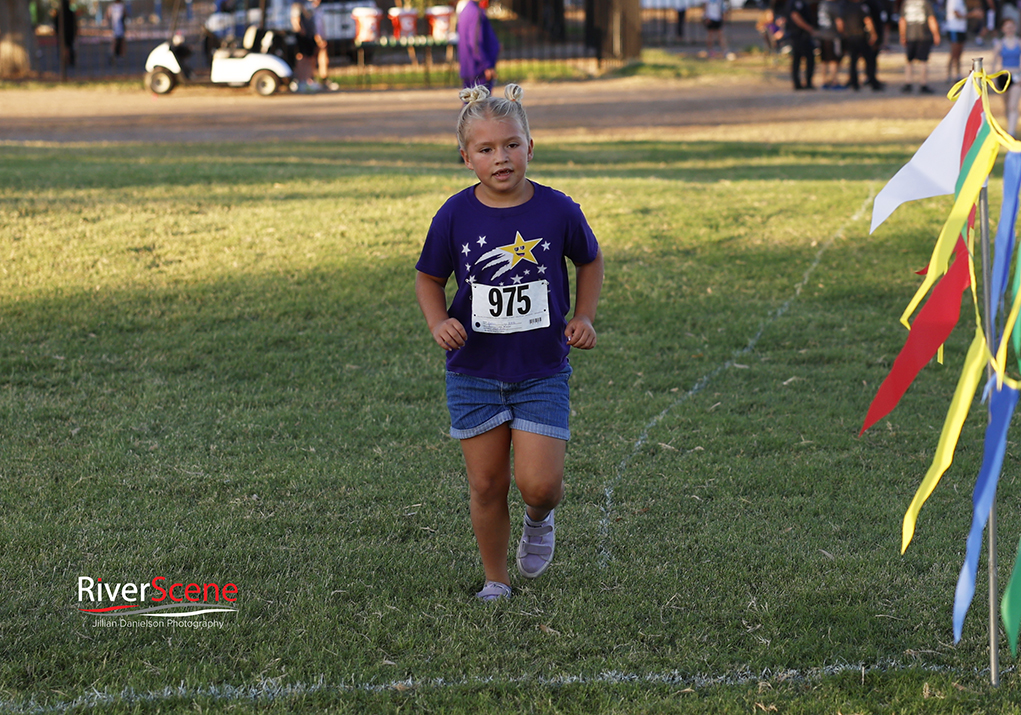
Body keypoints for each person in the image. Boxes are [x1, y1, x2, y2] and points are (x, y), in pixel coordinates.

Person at [415, 84, 604, 603]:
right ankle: (496, 578)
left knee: (539, 485)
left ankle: (539, 520)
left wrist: (584, 315)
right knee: (487, 484)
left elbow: (589, 259)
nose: (501, 157)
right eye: (486, 149)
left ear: (530, 146)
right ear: (465, 156)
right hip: (474, 371)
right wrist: (437, 323)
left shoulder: (558, 210)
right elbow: (429, 277)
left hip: (540, 370)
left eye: (511, 144)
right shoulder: (454, 215)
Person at [837, 0, 882, 90]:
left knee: (853, 61)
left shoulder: (845, 7)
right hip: (861, 36)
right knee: (869, 60)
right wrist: (873, 34)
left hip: (850, 37)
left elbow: (840, 22)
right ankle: (872, 81)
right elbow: (868, 21)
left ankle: (854, 83)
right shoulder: (862, 6)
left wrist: (843, 34)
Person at [457, 0, 500, 90]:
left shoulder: (466, 10)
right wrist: (486, 65)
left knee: (471, 103)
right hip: (478, 71)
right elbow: (475, 43)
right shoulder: (475, 12)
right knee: (479, 103)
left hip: (471, 69)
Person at [899, 0, 940, 93]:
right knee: (923, 61)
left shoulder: (906, 3)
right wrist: (936, 33)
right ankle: (923, 83)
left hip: (910, 35)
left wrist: (902, 35)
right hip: (924, 35)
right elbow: (931, 19)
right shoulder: (926, 2)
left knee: (909, 60)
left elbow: (902, 20)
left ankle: (908, 82)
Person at [994, 18, 1021, 136]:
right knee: (1006, 105)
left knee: (1013, 105)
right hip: (1003, 77)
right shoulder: (1000, 44)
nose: (1010, 29)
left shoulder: (1019, 43)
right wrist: (994, 77)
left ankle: (1011, 132)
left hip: (1016, 76)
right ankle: (1010, 126)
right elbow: (995, 63)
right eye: (1007, 27)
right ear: (1003, 29)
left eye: (1011, 27)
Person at [786, 0, 818, 89]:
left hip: (801, 35)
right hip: (799, 35)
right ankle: (802, 83)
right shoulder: (795, 2)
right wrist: (808, 28)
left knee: (799, 59)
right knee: (803, 59)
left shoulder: (800, 2)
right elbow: (795, 15)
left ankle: (803, 83)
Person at [309, 0, 339, 91]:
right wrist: (317, 38)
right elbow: (311, 25)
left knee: (324, 59)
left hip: (321, 36)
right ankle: (311, 79)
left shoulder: (319, 9)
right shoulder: (309, 9)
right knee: (312, 59)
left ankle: (324, 79)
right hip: (314, 37)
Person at [290, 1, 317, 92]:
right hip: (303, 37)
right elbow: (295, 20)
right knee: (302, 58)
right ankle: (301, 80)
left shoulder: (308, 4)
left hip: (308, 36)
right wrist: (301, 31)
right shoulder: (297, 5)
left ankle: (307, 80)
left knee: (309, 58)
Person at [817, 0, 844, 88]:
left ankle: (824, 81)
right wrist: (843, 33)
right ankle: (834, 81)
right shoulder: (834, 6)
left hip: (822, 34)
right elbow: (839, 21)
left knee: (824, 59)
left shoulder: (822, 4)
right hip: (832, 35)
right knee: (833, 59)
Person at [945, 0, 969, 82]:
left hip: (961, 29)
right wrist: (972, 15)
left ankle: (957, 74)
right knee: (954, 53)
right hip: (954, 28)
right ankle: (949, 74)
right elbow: (956, 14)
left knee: (959, 53)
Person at [106, 0, 128, 66]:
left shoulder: (111, 7)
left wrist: (109, 24)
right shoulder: (122, 7)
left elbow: (107, 16)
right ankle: (121, 55)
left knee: (115, 41)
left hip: (114, 26)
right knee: (121, 41)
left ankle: (112, 53)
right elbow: (125, 15)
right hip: (119, 26)